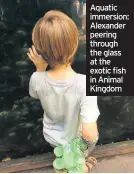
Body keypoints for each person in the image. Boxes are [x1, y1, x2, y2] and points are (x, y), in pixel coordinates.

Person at [27, 10, 100, 172]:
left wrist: (40, 68)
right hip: (76, 141)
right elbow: (89, 134)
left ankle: (63, 158)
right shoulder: (84, 84)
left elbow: (34, 94)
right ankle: (78, 164)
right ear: (75, 46)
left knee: (63, 150)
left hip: (53, 138)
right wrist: (82, 149)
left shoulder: (36, 78)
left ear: (39, 51)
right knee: (86, 143)